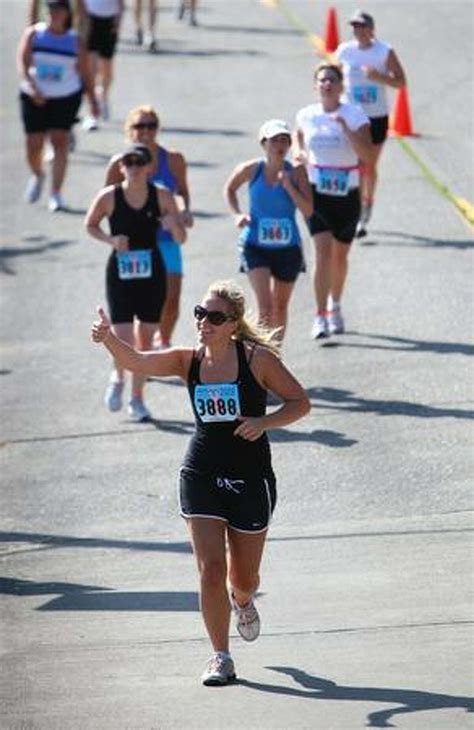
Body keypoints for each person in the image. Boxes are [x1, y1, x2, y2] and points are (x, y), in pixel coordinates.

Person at [91, 279, 310, 685]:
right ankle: (220, 657)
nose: (203, 322)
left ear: (233, 324)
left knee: (244, 580)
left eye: (213, 317)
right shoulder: (187, 360)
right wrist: (108, 340)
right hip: (201, 474)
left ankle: (242, 600)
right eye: (199, 313)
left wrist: (264, 422)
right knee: (210, 569)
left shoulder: (257, 360)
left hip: (250, 478)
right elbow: (138, 360)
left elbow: (300, 402)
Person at [85, 143, 186, 421]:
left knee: (144, 342)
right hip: (120, 273)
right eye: (128, 162)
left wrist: (172, 225)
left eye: (139, 162)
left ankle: (137, 399)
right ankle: (117, 377)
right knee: (123, 337)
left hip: (152, 272)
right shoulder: (109, 196)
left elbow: (181, 238)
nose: (134, 167)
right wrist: (110, 240)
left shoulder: (162, 195)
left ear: (149, 167)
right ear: (121, 167)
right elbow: (90, 224)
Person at [293, 62, 374, 339]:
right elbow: (298, 136)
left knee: (340, 256)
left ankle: (335, 304)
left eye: (332, 80)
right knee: (322, 253)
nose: (327, 84)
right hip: (317, 195)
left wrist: (347, 131)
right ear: (316, 86)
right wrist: (299, 153)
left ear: (341, 86)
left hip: (348, 195)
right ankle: (320, 316)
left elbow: (368, 155)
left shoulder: (355, 115)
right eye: (322, 80)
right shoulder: (307, 115)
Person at [105, 105, 193, 349]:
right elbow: (108, 200)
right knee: (138, 299)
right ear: (129, 130)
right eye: (139, 125)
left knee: (172, 297)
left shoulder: (173, 159)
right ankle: (141, 351)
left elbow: (183, 192)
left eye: (151, 125)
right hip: (134, 245)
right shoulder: (119, 163)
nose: (146, 131)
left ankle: (162, 341)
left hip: (166, 237)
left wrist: (184, 211)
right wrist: (113, 237)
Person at [224, 119, 312, 342]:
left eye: (284, 140)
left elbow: (308, 210)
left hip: (287, 248)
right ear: (263, 143)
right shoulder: (251, 169)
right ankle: (259, 354)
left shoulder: (297, 172)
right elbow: (230, 189)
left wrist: (290, 187)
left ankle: (275, 354)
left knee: (280, 306)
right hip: (255, 245)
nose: (280, 145)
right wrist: (237, 214)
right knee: (265, 306)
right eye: (274, 140)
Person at [17, 0, 98, 211]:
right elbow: (23, 64)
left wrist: (93, 101)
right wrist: (32, 88)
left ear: (66, 14)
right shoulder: (34, 34)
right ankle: (37, 174)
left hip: (65, 96)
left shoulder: (74, 41)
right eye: (52, 10)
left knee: (59, 141)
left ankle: (56, 192)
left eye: (60, 10)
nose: (55, 14)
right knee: (34, 143)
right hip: (34, 96)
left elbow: (85, 73)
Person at [335, 10, 406, 237]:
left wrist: (379, 77)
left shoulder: (384, 51)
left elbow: (401, 82)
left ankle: (367, 205)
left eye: (363, 26)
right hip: (352, 116)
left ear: (372, 29)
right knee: (354, 165)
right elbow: (333, 75)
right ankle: (355, 214)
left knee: (368, 165)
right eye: (355, 27)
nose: (358, 31)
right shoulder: (345, 51)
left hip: (376, 116)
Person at [82, 0, 124, 130]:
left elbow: (121, 3)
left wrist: (118, 19)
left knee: (107, 69)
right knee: (91, 69)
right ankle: (92, 112)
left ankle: (103, 97)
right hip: (90, 20)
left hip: (109, 21)